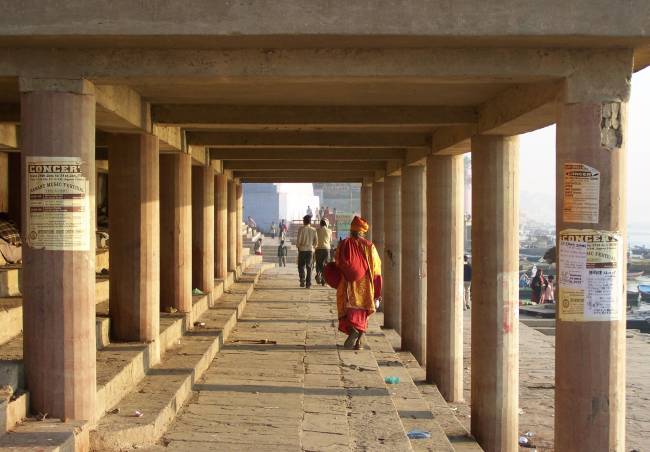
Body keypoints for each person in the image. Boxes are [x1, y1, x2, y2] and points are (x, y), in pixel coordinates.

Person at [335, 216, 382, 350]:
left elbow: (338, 261)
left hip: (348, 283)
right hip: (365, 284)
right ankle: (359, 342)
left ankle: (352, 331)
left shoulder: (344, 243)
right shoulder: (369, 246)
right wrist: (377, 291)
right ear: (363, 232)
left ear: (351, 230)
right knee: (363, 312)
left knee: (349, 310)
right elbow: (377, 269)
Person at [296, 214, 317, 288]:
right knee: (309, 267)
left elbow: (298, 240)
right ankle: (308, 284)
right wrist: (313, 248)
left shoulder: (301, 229)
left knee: (301, 266)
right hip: (310, 250)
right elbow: (316, 242)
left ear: (304, 221)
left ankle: (302, 278)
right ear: (310, 222)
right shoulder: (313, 230)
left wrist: (298, 247)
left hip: (302, 250)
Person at [314, 218, 332, 286]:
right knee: (325, 265)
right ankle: (324, 279)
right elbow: (330, 241)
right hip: (326, 249)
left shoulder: (317, 230)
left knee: (318, 264)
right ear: (327, 224)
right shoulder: (329, 231)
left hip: (318, 249)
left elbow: (315, 240)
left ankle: (318, 273)